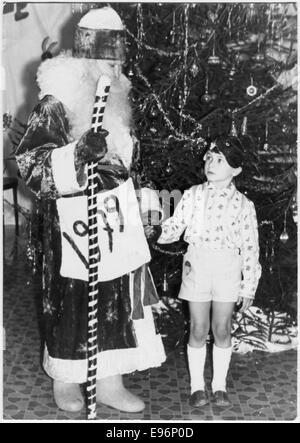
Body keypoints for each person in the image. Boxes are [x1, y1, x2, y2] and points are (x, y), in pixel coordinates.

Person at [15, 6, 166, 414]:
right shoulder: (56, 99)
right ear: (87, 58)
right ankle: (66, 378)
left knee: (114, 294)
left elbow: (125, 161)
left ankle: (110, 379)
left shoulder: (116, 98)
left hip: (112, 217)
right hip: (69, 219)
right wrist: (78, 153)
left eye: (120, 61)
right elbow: (32, 163)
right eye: (108, 60)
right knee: (72, 297)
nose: (117, 69)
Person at [154, 135, 261, 407]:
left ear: (235, 169)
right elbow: (175, 225)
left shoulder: (244, 205)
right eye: (210, 158)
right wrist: (156, 231)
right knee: (199, 328)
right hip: (197, 266)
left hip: (227, 268)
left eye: (221, 160)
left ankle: (220, 386)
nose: (212, 164)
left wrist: (248, 285)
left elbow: (250, 247)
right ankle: (196, 387)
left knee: (222, 329)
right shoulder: (193, 195)